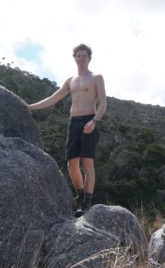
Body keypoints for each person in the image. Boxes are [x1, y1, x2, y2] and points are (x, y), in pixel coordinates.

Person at [27, 43, 107, 216]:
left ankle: (87, 202)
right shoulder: (71, 80)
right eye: (78, 55)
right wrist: (29, 107)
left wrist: (94, 121)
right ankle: (80, 195)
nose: (81, 58)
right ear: (75, 58)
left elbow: (103, 103)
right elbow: (53, 98)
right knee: (72, 164)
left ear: (89, 58)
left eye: (84, 55)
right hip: (74, 122)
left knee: (87, 163)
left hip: (89, 120)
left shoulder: (96, 78)